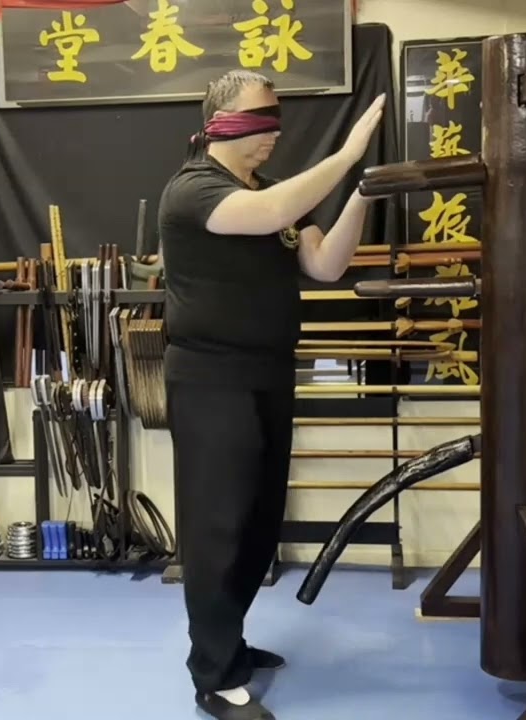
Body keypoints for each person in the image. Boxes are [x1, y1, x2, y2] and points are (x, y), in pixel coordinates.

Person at [158, 69, 387, 720]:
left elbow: (326, 264)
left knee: (258, 523)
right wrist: (346, 155)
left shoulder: (276, 193)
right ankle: (213, 676)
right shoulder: (194, 189)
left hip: (270, 372)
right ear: (220, 122)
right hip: (211, 378)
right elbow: (268, 215)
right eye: (259, 120)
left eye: (276, 120)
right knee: (218, 526)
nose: (273, 134)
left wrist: (361, 191)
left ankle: (229, 642)